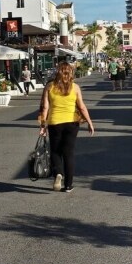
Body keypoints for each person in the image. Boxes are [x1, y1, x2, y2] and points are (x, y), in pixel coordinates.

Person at [39, 61, 94, 193]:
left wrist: (42, 126)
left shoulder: (49, 86)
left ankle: (59, 173)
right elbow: (81, 107)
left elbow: (45, 108)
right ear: (70, 73)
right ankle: (68, 185)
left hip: (54, 123)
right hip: (71, 123)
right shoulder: (75, 87)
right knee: (68, 153)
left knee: (55, 151)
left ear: (57, 72)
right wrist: (89, 122)